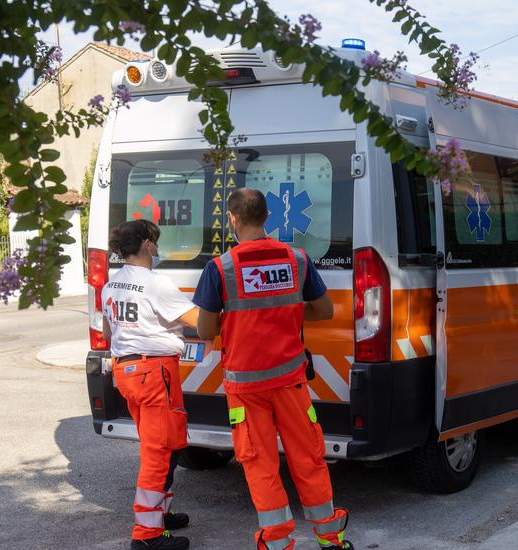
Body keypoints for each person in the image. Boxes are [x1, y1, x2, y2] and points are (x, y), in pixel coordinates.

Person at [192, 188, 353, 550]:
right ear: (267, 217)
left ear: (233, 219)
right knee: (308, 457)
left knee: (259, 463)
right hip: (291, 382)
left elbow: (205, 330)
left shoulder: (220, 268)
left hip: (245, 389)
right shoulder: (296, 259)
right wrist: (289, 310)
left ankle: (278, 543)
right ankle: (331, 538)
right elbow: (324, 310)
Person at [102, 220, 199, 550]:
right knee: (158, 452)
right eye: (154, 241)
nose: (157, 248)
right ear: (145, 245)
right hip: (155, 373)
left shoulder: (112, 284)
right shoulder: (156, 283)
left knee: (165, 443)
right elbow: (199, 320)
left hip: (127, 372)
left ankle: (161, 513)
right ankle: (147, 536)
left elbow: (107, 330)